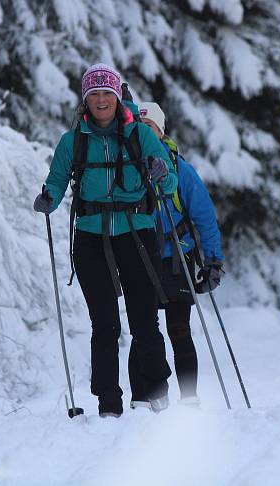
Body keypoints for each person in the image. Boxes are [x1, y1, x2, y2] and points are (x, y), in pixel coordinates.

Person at [33, 63, 177, 418]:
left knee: (144, 319)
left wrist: (162, 174)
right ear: (85, 101)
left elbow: (169, 183)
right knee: (105, 324)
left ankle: (157, 392)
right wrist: (48, 199)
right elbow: (56, 179)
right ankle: (108, 402)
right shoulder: (73, 141)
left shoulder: (140, 135)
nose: (101, 100)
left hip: (137, 234)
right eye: (94, 94)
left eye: (106, 94)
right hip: (91, 238)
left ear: (117, 97)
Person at [128, 101, 224, 409]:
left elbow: (204, 216)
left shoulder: (179, 168)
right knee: (142, 332)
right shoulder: (125, 167)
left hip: (176, 258)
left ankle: (189, 398)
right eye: (140, 128)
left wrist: (213, 262)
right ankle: (142, 399)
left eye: (151, 128)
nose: (146, 133)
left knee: (179, 330)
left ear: (161, 130)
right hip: (140, 259)